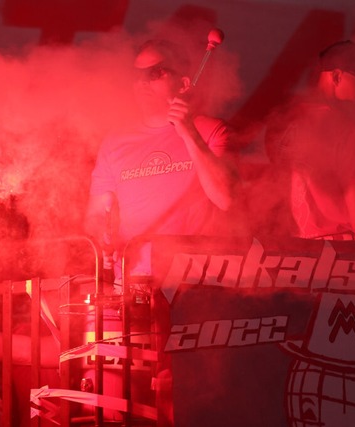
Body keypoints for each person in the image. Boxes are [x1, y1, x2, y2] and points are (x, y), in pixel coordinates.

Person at [85, 38, 242, 282]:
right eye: (136, 75)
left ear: (183, 83)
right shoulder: (114, 142)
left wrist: (188, 132)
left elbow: (226, 198)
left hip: (195, 281)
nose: (143, 81)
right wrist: (104, 240)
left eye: (156, 72)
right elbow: (95, 215)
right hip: (131, 280)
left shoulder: (212, 130)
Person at [264, 40, 355, 242]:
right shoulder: (349, 132)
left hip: (297, 251)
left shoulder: (283, 123)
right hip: (345, 256)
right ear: (337, 76)